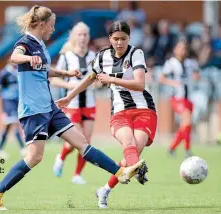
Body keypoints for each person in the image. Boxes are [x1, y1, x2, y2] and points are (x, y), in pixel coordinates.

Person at [0, 6, 145, 211]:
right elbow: (15, 57)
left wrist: (66, 73)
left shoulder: (41, 45)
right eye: (51, 25)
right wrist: (27, 58)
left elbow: (44, 69)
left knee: (82, 143)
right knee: (35, 157)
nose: (53, 29)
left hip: (49, 107)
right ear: (41, 24)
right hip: (33, 110)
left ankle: (120, 172)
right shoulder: (25, 43)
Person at [56, 20, 157, 209]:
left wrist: (111, 79)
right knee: (129, 145)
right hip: (120, 112)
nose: (120, 43)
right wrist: (69, 97)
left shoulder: (137, 54)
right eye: (116, 39)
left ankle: (105, 189)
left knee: (131, 156)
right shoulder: (102, 57)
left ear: (129, 38)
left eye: (124, 39)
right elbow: (89, 78)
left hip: (144, 110)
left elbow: (139, 84)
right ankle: (138, 169)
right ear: (110, 38)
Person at [51, 22, 97, 185]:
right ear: (74, 36)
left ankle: (77, 174)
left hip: (90, 103)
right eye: (79, 34)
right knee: (74, 142)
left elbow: (98, 79)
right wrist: (71, 86)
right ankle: (61, 157)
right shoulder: (67, 56)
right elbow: (54, 79)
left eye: (85, 34)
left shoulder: (93, 56)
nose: (83, 38)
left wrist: (100, 83)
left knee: (86, 142)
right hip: (72, 105)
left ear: (88, 37)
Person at [159, 39, 200, 158]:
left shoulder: (190, 63)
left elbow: (197, 74)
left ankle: (172, 148)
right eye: (180, 48)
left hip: (188, 98)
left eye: (184, 49)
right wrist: (173, 83)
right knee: (187, 120)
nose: (182, 51)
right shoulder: (171, 63)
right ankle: (186, 149)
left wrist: (196, 77)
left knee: (186, 125)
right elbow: (161, 78)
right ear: (175, 50)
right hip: (177, 98)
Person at [0, 62, 26, 159]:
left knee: (8, 126)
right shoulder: (4, 73)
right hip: (8, 101)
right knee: (14, 123)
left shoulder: (18, 72)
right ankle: (22, 148)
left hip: (17, 101)